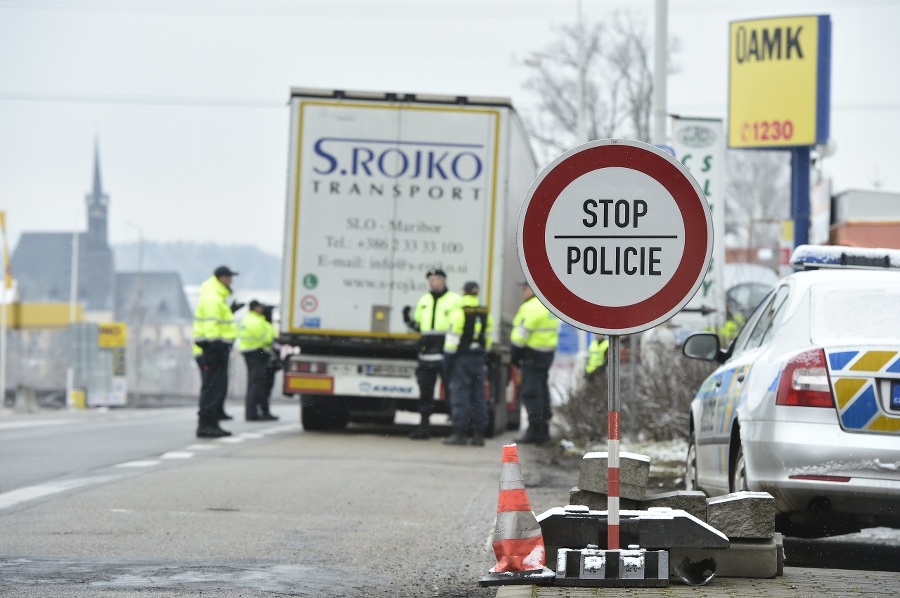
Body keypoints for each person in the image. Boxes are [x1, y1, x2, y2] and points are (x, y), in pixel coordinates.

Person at [402, 267, 462, 440]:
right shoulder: (424, 300)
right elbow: (419, 326)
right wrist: (407, 319)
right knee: (425, 392)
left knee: (452, 392)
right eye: (430, 279)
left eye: (435, 278)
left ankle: (456, 429)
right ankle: (423, 428)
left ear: (443, 280)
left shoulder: (455, 300)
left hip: (446, 353)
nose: (432, 282)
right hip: (426, 353)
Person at [441, 281, 493, 446]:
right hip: (478, 358)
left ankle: (460, 433)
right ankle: (478, 434)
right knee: (478, 396)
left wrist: (447, 360)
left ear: (463, 293)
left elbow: (452, 339)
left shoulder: (459, 312)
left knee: (460, 394)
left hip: (462, 358)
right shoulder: (485, 313)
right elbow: (488, 339)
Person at [193, 265, 242, 438]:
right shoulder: (213, 298)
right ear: (221, 278)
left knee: (216, 387)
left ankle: (211, 423)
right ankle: (206, 424)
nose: (231, 281)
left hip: (216, 348)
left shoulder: (216, 297)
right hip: (213, 349)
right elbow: (211, 325)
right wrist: (215, 345)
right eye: (229, 277)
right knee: (212, 388)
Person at [510, 282, 559, 444]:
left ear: (532, 289)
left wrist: (514, 354)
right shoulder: (548, 306)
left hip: (531, 355)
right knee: (542, 390)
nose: (523, 292)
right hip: (547, 354)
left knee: (531, 392)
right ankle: (544, 428)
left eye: (524, 289)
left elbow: (520, 335)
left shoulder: (531, 307)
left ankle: (534, 429)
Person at [237, 300, 279, 421]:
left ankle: (252, 412)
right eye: (260, 307)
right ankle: (252, 413)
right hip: (258, 353)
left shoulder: (247, 320)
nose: (262, 309)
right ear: (255, 308)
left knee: (253, 384)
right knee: (257, 384)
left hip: (250, 353)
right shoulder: (257, 321)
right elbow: (267, 338)